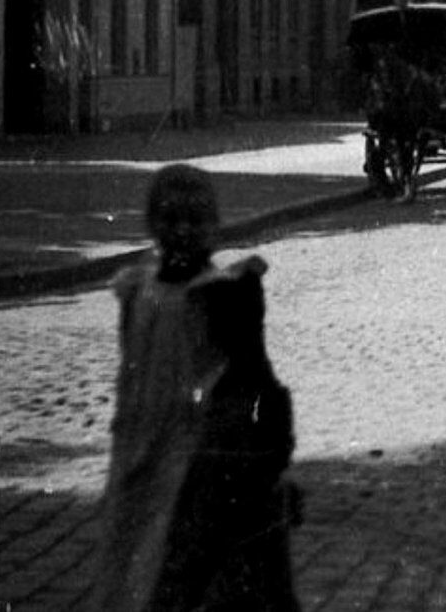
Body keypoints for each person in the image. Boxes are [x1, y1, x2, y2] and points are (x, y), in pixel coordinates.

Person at [94, 164, 300, 612]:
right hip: (140, 450)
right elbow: (132, 372)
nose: (182, 231)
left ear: (215, 228)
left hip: (194, 460)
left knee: (186, 570)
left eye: (195, 220)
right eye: (170, 220)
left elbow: (255, 374)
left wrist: (270, 457)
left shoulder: (224, 295)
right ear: (152, 225)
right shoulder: (136, 291)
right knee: (135, 563)